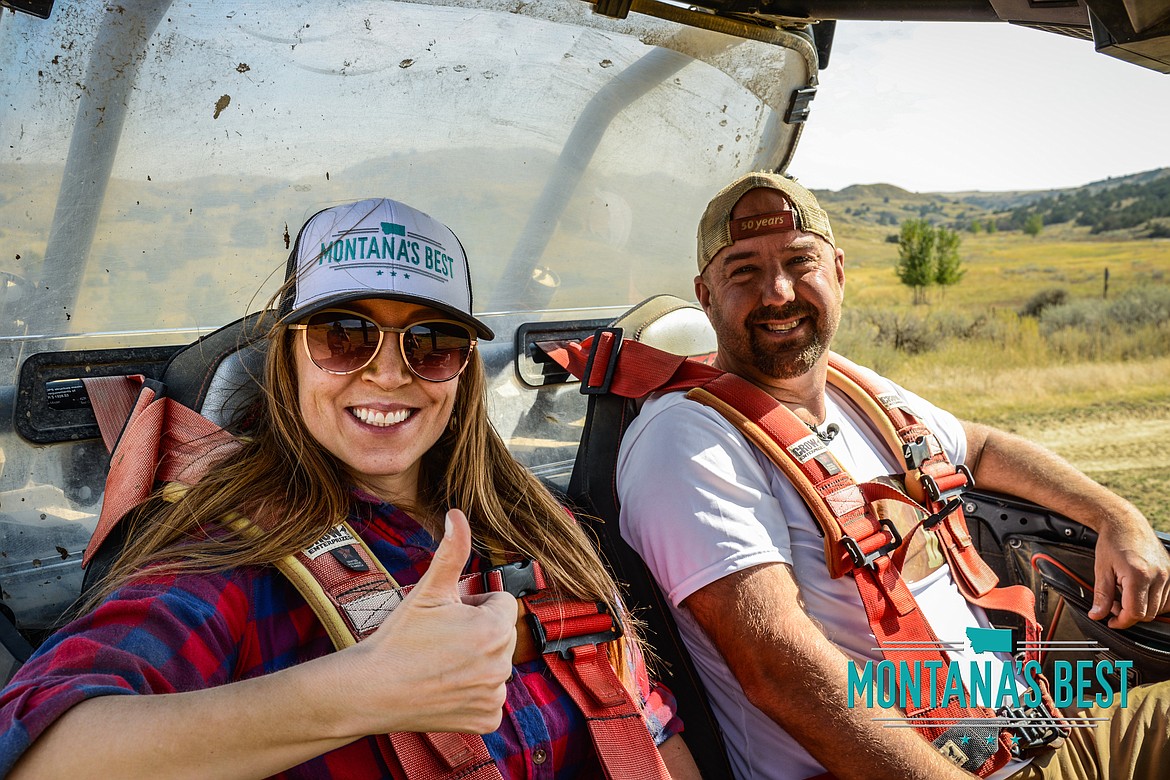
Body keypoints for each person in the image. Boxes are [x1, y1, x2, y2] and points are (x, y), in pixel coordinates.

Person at [0, 198, 700, 779]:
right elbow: (40, 753)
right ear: (291, 358)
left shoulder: (539, 527)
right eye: (344, 336)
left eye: (431, 343)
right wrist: (364, 692)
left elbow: (653, 730)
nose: (389, 373)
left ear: (461, 373)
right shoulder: (231, 558)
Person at [616, 172, 1170, 780]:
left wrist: (1118, 517)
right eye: (743, 271)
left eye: (801, 262)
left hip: (1027, 735)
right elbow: (777, 668)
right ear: (705, 294)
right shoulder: (686, 441)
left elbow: (978, 447)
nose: (778, 293)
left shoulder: (856, 392)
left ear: (840, 271)